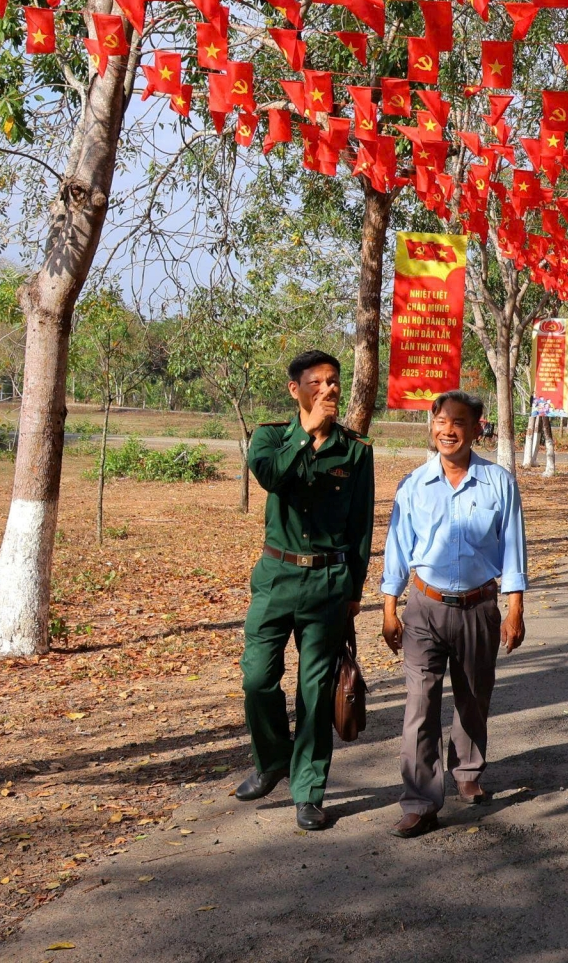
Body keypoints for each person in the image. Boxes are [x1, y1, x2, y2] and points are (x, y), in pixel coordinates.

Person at [235, 350, 375, 832]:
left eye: (333, 381)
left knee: (315, 691)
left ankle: (309, 791)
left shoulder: (356, 450)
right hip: (277, 576)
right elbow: (270, 476)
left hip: (329, 583)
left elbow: (360, 525)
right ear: (295, 389)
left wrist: (355, 589)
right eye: (317, 383)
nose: (328, 390)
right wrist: (306, 434)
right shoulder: (270, 438)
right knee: (257, 678)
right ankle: (273, 759)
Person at [380, 390, 528, 838]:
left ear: (477, 428)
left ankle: (466, 771)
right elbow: (397, 547)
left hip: (479, 607)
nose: (448, 430)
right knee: (420, 705)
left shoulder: (498, 482)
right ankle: (420, 801)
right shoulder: (413, 484)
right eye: (441, 420)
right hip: (424, 608)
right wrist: (389, 607)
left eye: (458, 422)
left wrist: (515, 608)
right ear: (432, 424)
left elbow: (513, 547)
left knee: (473, 695)